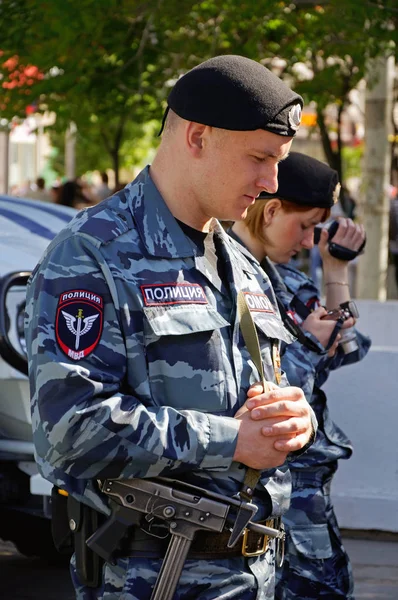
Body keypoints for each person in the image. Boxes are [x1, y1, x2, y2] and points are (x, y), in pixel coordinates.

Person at [25, 55, 315, 600]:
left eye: (279, 162)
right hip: (153, 576)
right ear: (198, 136)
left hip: (255, 575)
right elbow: (68, 431)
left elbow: (267, 391)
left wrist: (295, 419)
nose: (272, 181)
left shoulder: (242, 263)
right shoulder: (93, 253)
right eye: (260, 158)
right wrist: (234, 441)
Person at [228, 151, 371, 599]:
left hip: (305, 490)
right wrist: (307, 345)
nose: (310, 241)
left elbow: (344, 348)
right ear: (271, 210)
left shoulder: (280, 280)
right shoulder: (226, 280)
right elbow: (249, 391)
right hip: (266, 495)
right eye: (306, 225)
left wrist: (336, 270)